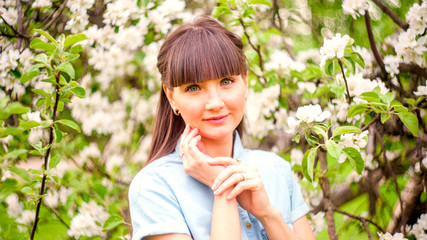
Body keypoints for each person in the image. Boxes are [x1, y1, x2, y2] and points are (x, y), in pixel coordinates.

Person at [128, 16, 315, 240]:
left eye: (226, 81)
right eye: (194, 87)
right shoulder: (154, 186)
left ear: (245, 82)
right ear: (171, 97)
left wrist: (267, 214)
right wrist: (223, 187)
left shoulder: (276, 170)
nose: (215, 103)